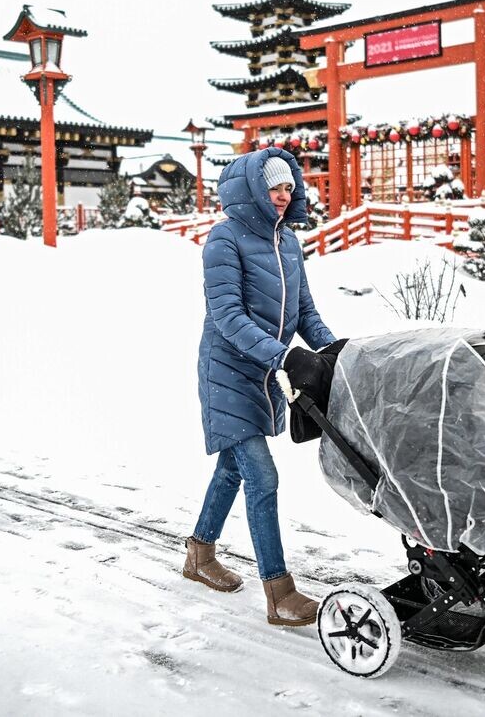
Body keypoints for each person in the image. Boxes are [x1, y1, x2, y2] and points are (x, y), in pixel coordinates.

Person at [185, 149, 341, 626]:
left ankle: (199, 554)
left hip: (265, 373)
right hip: (227, 371)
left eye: (289, 187)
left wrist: (336, 351)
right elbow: (228, 318)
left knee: (233, 469)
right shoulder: (223, 239)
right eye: (274, 186)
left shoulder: (288, 241)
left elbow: (306, 313)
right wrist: (286, 357)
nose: (282, 194)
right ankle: (278, 592)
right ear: (251, 188)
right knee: (261, 476)